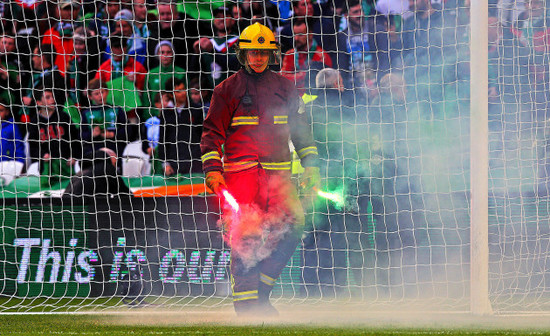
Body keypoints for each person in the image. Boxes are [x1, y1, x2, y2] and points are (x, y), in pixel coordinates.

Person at [200, 22, 321, 316]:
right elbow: (212, 134)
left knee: (295, 226)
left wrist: (311, 166)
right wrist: (213, 170)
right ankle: (247, 308)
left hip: (279, 180)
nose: (258, 58)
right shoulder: (226, 90)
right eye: (253, 52)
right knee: (245, 240)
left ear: (271, 54)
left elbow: (301, 132)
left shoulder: (284, 87)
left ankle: (262, 293)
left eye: (263, 53)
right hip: (241, 181)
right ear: (243, 53)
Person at [27, 87, 82, 187]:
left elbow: (75, 139)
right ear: (39, 103)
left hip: (66, 165)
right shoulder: (35, 122)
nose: (52, 100)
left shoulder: (64, 117)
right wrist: (43, 155)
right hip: (47, 168)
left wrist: (74, 156)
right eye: (48, 97)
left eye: (52, 96)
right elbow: (33, 147)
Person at [158, 77, 203, 176]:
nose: (183, 93)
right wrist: (165, 164)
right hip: (174, 165)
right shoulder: (165, 113)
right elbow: (162, 141)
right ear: (170, 94)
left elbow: (203, 136)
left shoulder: (196, 110)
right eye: (178, 91)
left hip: (195, 163)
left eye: (183, 89)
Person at [81, 78, 131, 156]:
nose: (100, 96)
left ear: (107, 92)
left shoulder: (117, 110)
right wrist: (92, 134)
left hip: (116, 149)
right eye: (96, 94)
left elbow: (128, 131)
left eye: (102, 92)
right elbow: (81, 135)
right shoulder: (86, 113)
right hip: (94, 151)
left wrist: (113, 134)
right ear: (90, 97)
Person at [63, 147, 132, 201]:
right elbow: (125, 193)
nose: (115, 167)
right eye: (114, 163)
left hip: (67, 210)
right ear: (109, 157)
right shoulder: (106, 169)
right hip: (85, 210)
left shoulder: (81, 172)